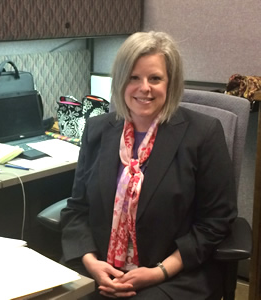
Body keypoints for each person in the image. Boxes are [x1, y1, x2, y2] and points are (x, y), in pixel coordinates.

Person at [60, 31, 237, 299]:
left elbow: (215, 222)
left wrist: (160, 272)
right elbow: (77, 208)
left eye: (155, 78)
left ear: (171, 83)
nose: (144, 87)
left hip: (174, 274)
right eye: (134, 77)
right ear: (121, 81)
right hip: (101, 267)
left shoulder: (203, 134)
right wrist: (91, 263)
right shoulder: (98, 130)